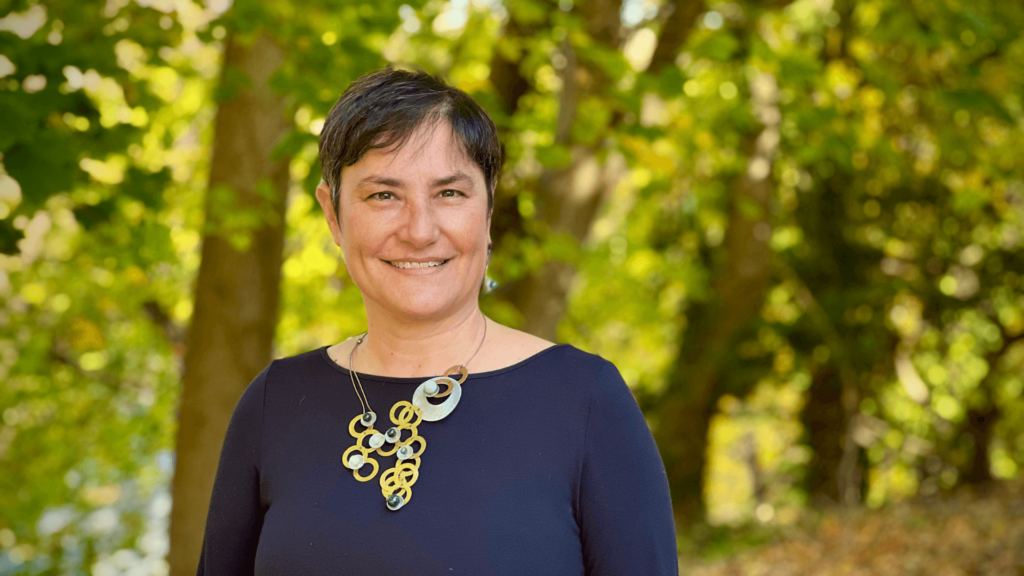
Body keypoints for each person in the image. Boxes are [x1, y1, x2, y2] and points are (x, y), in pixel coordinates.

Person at [196, 67, 677, 575]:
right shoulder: (273, 405)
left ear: (488, 212)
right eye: (383, 195)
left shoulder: (586, 400)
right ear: (332, 214)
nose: (420, 230)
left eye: (449, 193)